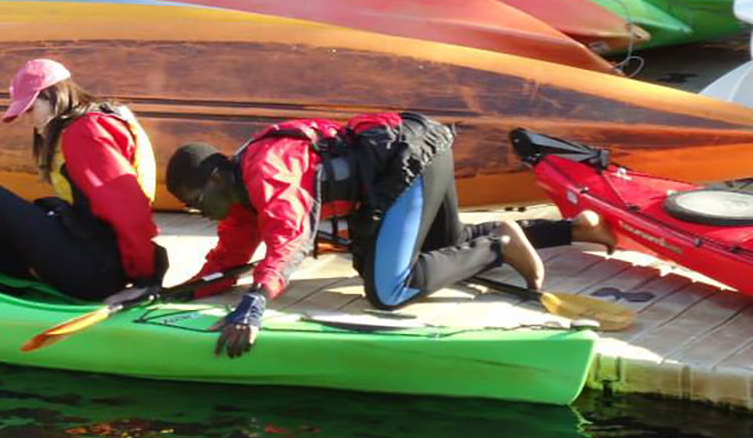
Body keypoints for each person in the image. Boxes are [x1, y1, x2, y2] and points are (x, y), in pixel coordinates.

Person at [165, 112, 617, 358]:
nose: (198, 212)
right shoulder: (240, 197)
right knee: (442, 249)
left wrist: (255, 303)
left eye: (196, 201)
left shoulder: (265, 168)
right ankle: (573, 230)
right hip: (416, 149)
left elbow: (291, 234)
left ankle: (498, 245)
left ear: (218, 178)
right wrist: (175, 292)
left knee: (388, 288)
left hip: (407, 161)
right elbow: (230, 256)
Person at [0, 58, 167, 300]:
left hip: (97, 271)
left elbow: (129, 210)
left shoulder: (86, 132)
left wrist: (144, 280)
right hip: (91, 258)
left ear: (53, 95)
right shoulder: (82, 126)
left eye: (30, 108)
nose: (29, 118)